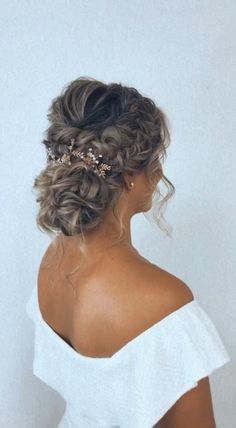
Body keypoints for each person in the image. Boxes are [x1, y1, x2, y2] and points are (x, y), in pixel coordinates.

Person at [26, 77, 230, 428]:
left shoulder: (54, 259)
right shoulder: (166, 305)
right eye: (155, 159)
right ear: (130, 178)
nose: (160, 172)